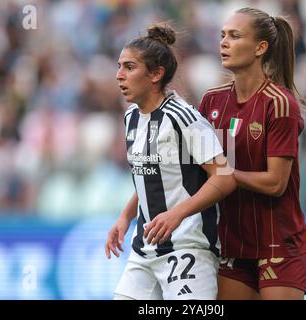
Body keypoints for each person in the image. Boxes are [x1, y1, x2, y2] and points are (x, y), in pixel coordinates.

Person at [105, 23, 236, 300]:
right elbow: (149, 175)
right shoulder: (131, 118)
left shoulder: (184, 117)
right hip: (143, 251)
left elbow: (225, 177)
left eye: (129, 67)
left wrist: (178, 214)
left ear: (156, 74)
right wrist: (125, 217)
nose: (119, 76)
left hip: (187, 248)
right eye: (119, 67)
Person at [198, 8, 306, 300]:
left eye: (235, 36)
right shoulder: (211, 100)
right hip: (232, 245)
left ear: (261, 48)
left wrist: (224, 174)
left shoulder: (280, 103)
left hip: (279, 246)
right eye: (222, 35)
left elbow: (276, 184)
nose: (224, 42)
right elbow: (194, 167)